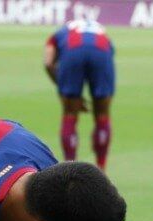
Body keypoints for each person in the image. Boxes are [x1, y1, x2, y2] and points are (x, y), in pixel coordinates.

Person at [44, 18, 115, 171]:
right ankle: (102, 169)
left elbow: (48, 62)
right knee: (102, 115)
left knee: (70, 114)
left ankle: (71, 170)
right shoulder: (101, 29)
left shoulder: (58, 34)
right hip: (102, 51)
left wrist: (64, 87)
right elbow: (111, 51)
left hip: (72, 51)